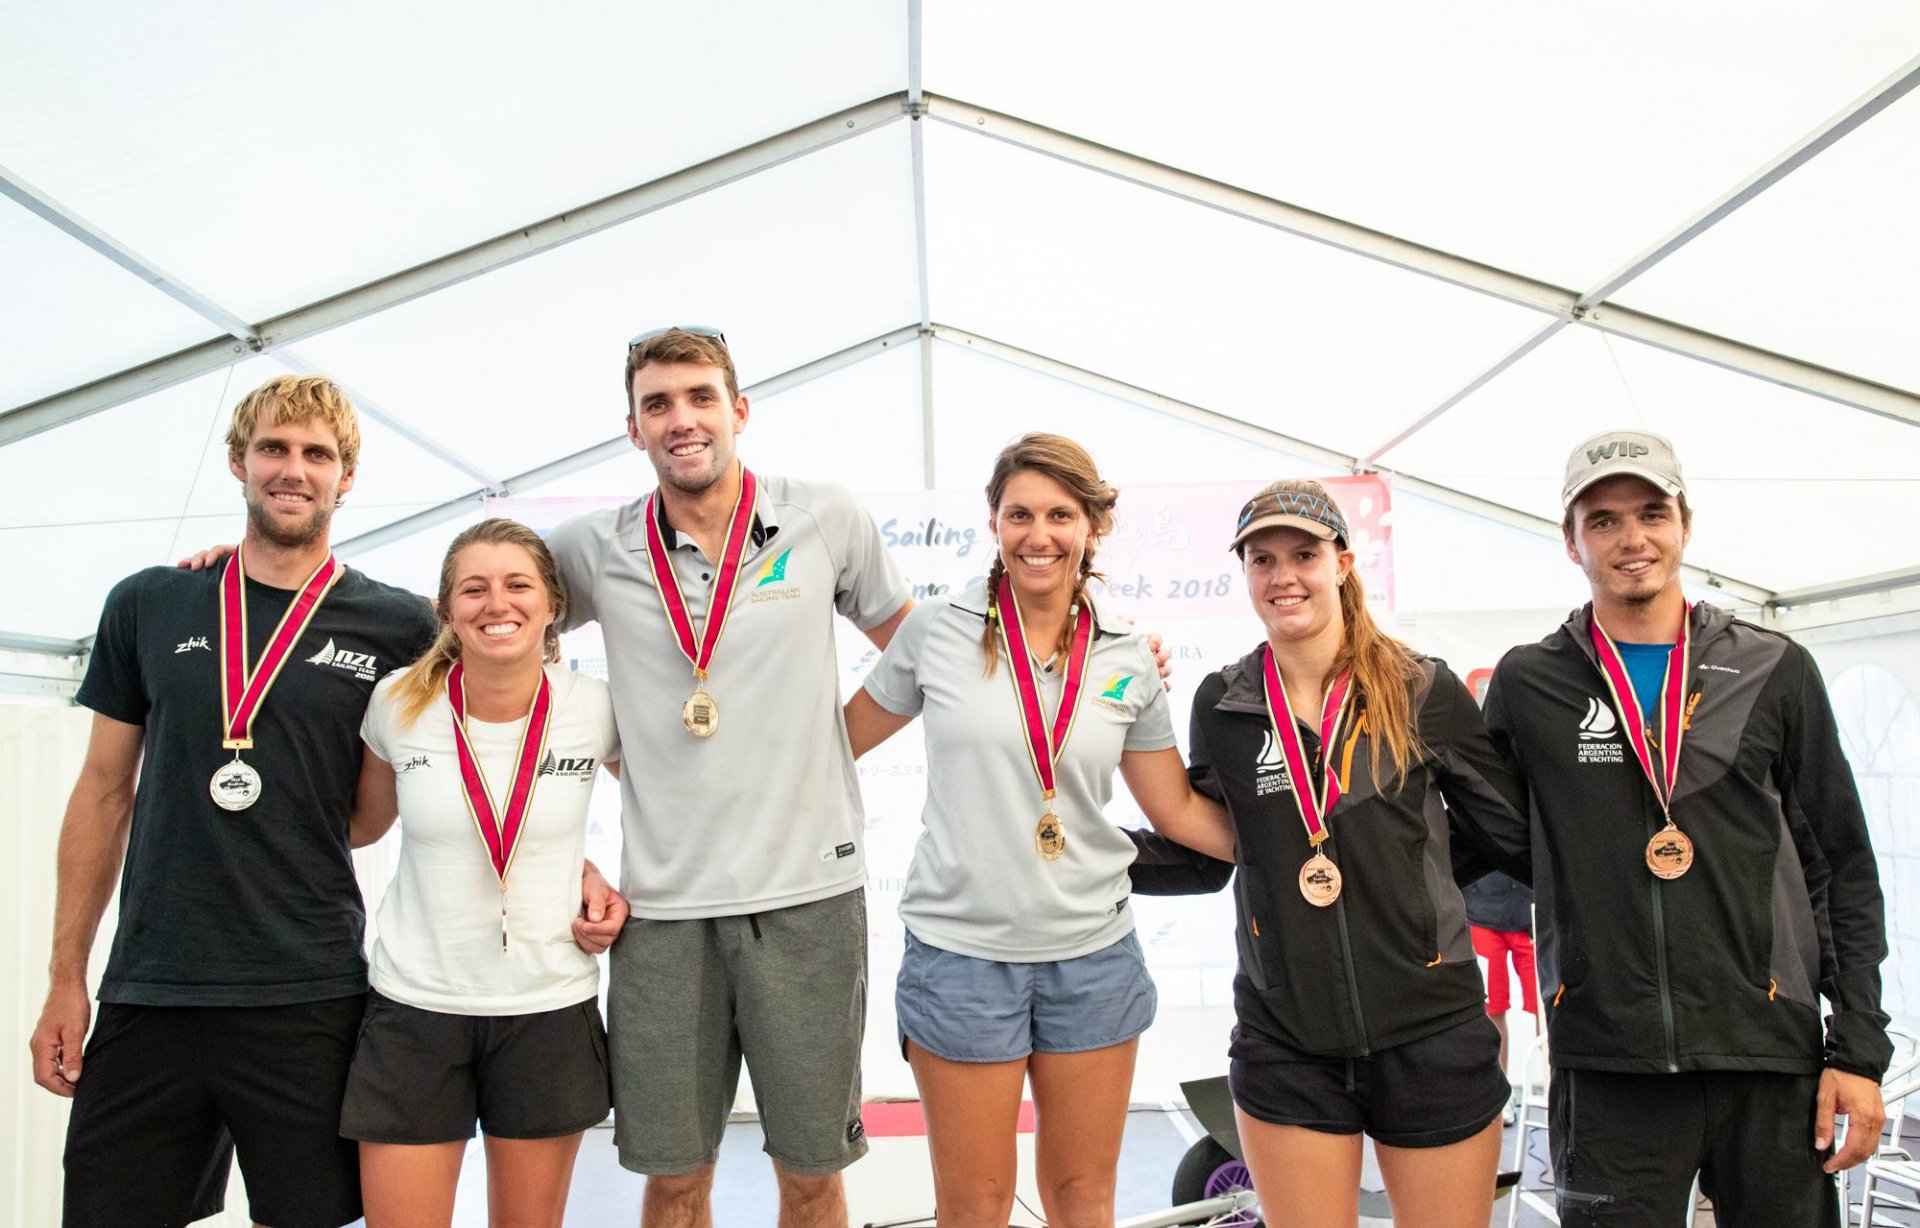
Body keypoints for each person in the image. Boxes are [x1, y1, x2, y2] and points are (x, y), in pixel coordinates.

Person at [28, 375, 440, 1228]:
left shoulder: (398, 625)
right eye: (274, 450)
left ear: (347, 476)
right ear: (238, 463)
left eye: (317, 454)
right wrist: (67, 979)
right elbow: (104, 792)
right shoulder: (151, 601)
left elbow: (483, 758)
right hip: (152, 988)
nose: (294, 470)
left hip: (308, 990)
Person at [546, 326, 913, 1228]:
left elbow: (918, 652)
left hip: (810, 901)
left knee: (814, 1177)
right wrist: (605, 740)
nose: (683, 419)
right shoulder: (592, 547)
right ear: (632, 428)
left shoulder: (822, 516)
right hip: (665, 915)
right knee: (673, 1180)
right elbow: (489, 619)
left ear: (738, 410)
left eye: (701, 397)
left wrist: (827, 747)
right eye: (658, 404)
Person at [1482, 429, 1889, 1226]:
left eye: (1651, 513)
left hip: (1769, 1055)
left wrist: (1860, 1050)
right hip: (1609, 1063)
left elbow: (1839, 864)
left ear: (1685, 525)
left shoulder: (1775, 668)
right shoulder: (1531, 684)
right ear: (1572, 542)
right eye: (1603, 521)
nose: (1632, 539)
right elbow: (1480, 843)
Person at [841, 433, 1225, 1228]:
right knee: (974, 1203)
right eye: (1019, 514)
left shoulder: (1128, 654)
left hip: (1093, 957)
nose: (1037, 535)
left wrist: (1314, 850)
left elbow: (1176, 811)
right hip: (961, 958)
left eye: (1059, 514)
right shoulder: (936, 632)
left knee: (1083, 1198)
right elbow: (831, 748)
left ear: (1093, 527)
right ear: (994, 521)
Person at [1128, 478, 1530, 1228]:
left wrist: (1413, 892)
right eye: (1262, 559)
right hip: (1288, 1038)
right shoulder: (1226, 703)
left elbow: (1506, 833)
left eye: (1303, 554)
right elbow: (1214, 854)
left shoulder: (1421, 689)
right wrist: (1090, 858)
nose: (1283, 576)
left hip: (1431, 1029)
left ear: (1343, 563)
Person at [341, 518, 621, 1228]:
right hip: (414, 1007)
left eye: (517, 585)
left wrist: (604, 881)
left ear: (553, 603)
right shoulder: (397, 702)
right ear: (446, 610)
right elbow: (361, 826)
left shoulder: (596, 708)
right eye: (474, 589)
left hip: (546, 1011)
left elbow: (669, 816)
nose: (497, 604)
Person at [1461, 872, 1537, 1122]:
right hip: (1482, 912)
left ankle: (1556, 1088)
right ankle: (1501, 1094)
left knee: (1546, 1008)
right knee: (1492, 1008)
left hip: (1531, 911)